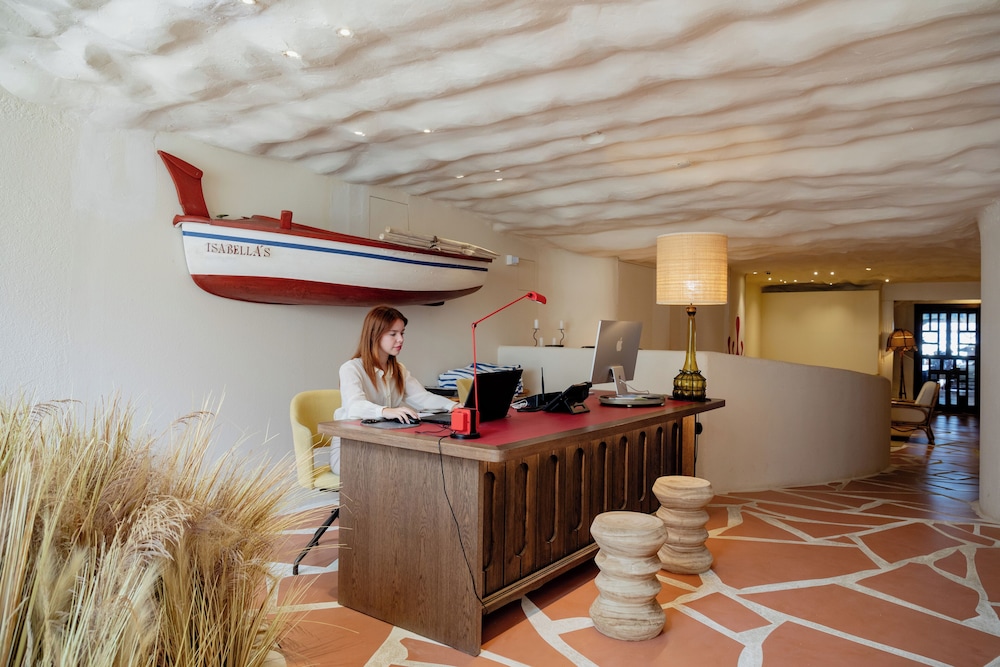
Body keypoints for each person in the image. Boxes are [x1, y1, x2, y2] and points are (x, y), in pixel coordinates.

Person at [330, 305, 456, 474]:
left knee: (420, 466)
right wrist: (385, 411)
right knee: (402, 469)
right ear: (375, 335)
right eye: (393, 334)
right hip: (350, 447)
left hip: (383, 443)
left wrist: (453, 406)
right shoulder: (351, 368)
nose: (400, 339)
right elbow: (354, 406)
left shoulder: (398, 369)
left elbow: (422, 397)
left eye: (402, 333)